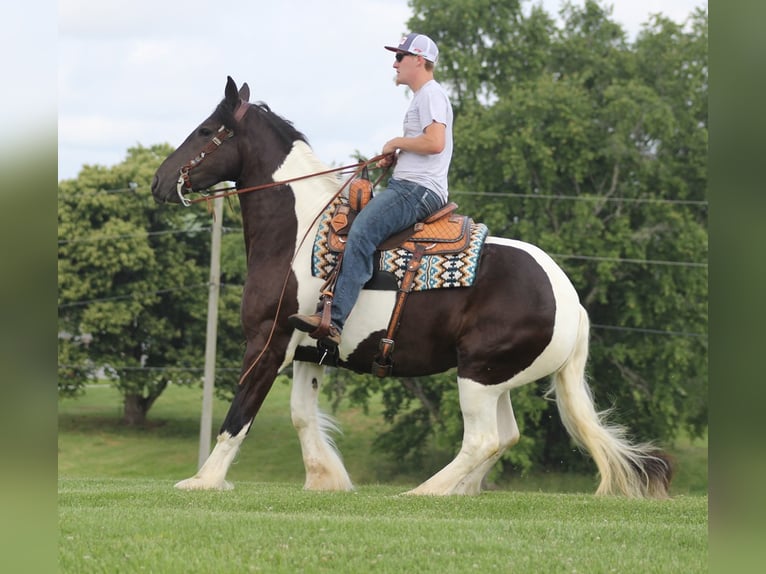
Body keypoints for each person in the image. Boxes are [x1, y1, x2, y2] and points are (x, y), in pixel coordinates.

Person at [289, 32, 453, 347]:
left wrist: (395, 143)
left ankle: (333, 321)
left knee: (361, 230)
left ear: (419, 60)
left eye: (400, 57)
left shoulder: (431, 94)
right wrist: (398, 157)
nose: (395, 64)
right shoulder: (423, 97)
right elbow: (428, 145)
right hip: (412, 184)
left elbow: (435, 143)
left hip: (416, 190)